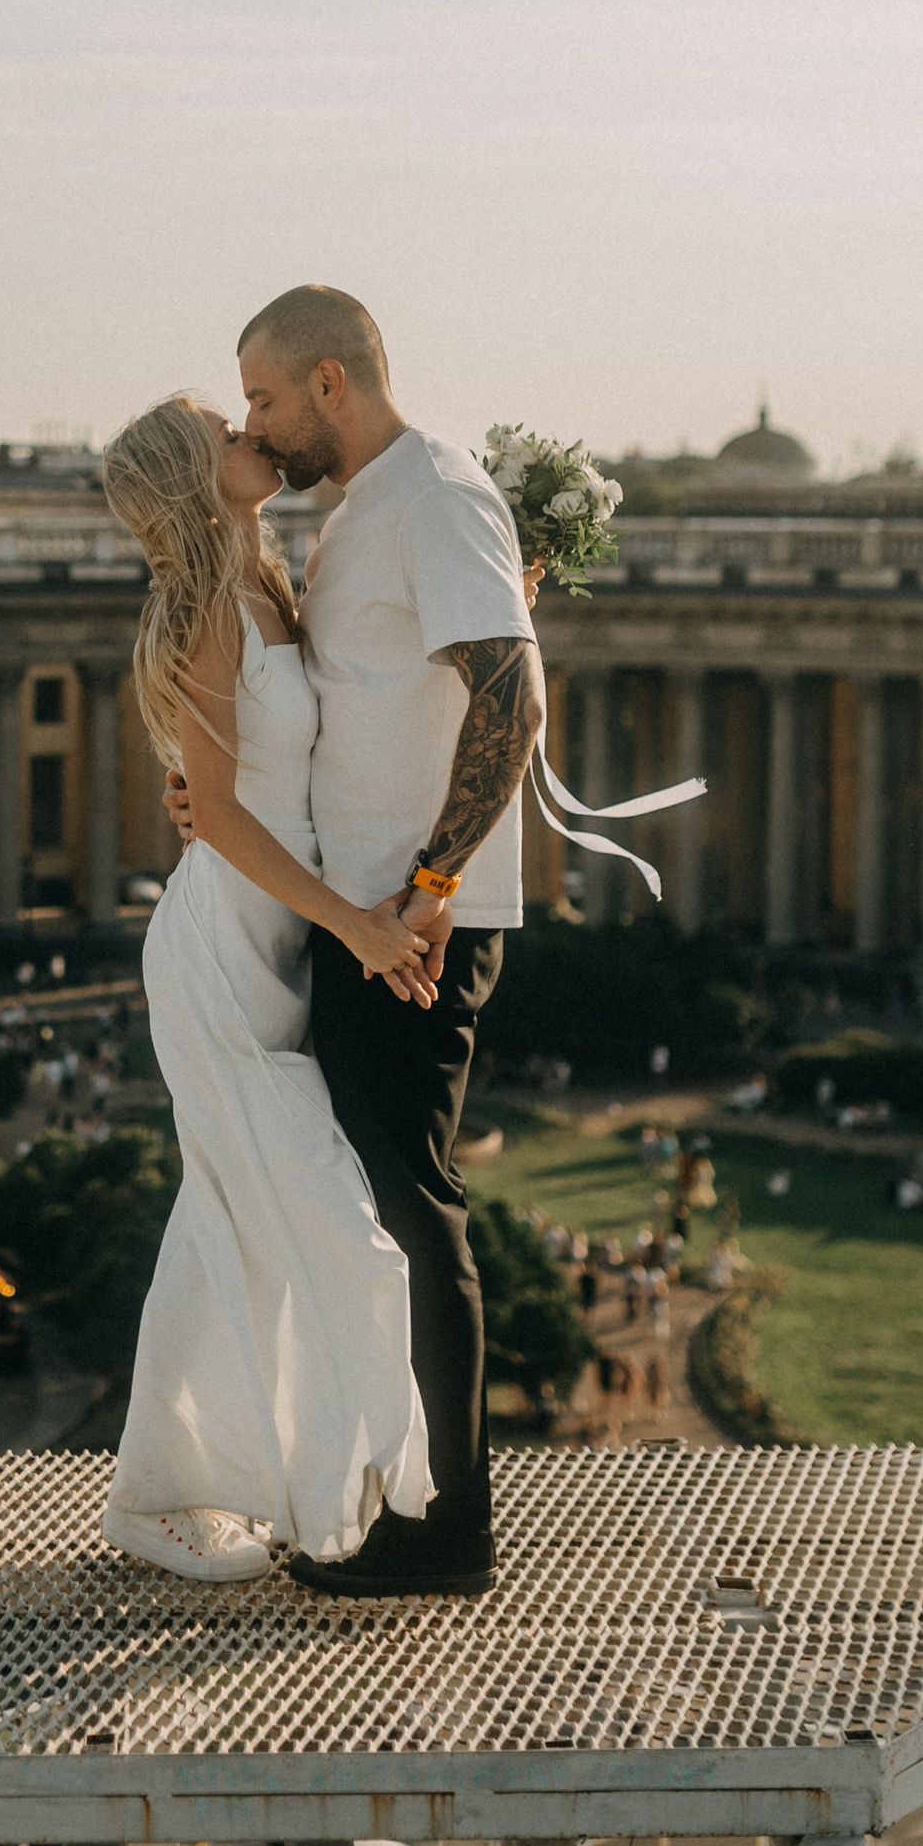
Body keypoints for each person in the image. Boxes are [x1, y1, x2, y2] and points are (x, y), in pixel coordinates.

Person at [170, 286, 543, 1599]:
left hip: (409, 924)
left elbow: (514, 687)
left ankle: (442, 1532)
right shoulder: (361, 513)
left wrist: (435, 883)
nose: (258, 425)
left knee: (406, 1208)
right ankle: (407, 1498)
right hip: (365, 912)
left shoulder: (433, 492)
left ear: (330, 382)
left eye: (266, 398)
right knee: (373, 1211)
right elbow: (358, 707)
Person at [95, 393, 436, 1583]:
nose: (253, 433)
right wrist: (356, 927)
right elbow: (226, 817)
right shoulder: (202, 608)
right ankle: (333, 1480)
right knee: (334, 1230)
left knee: (228, 1221)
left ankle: (166, 1489)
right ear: (195, 474)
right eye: (224, 431)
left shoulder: (272, 585)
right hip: (225, 956)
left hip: (279, 943)